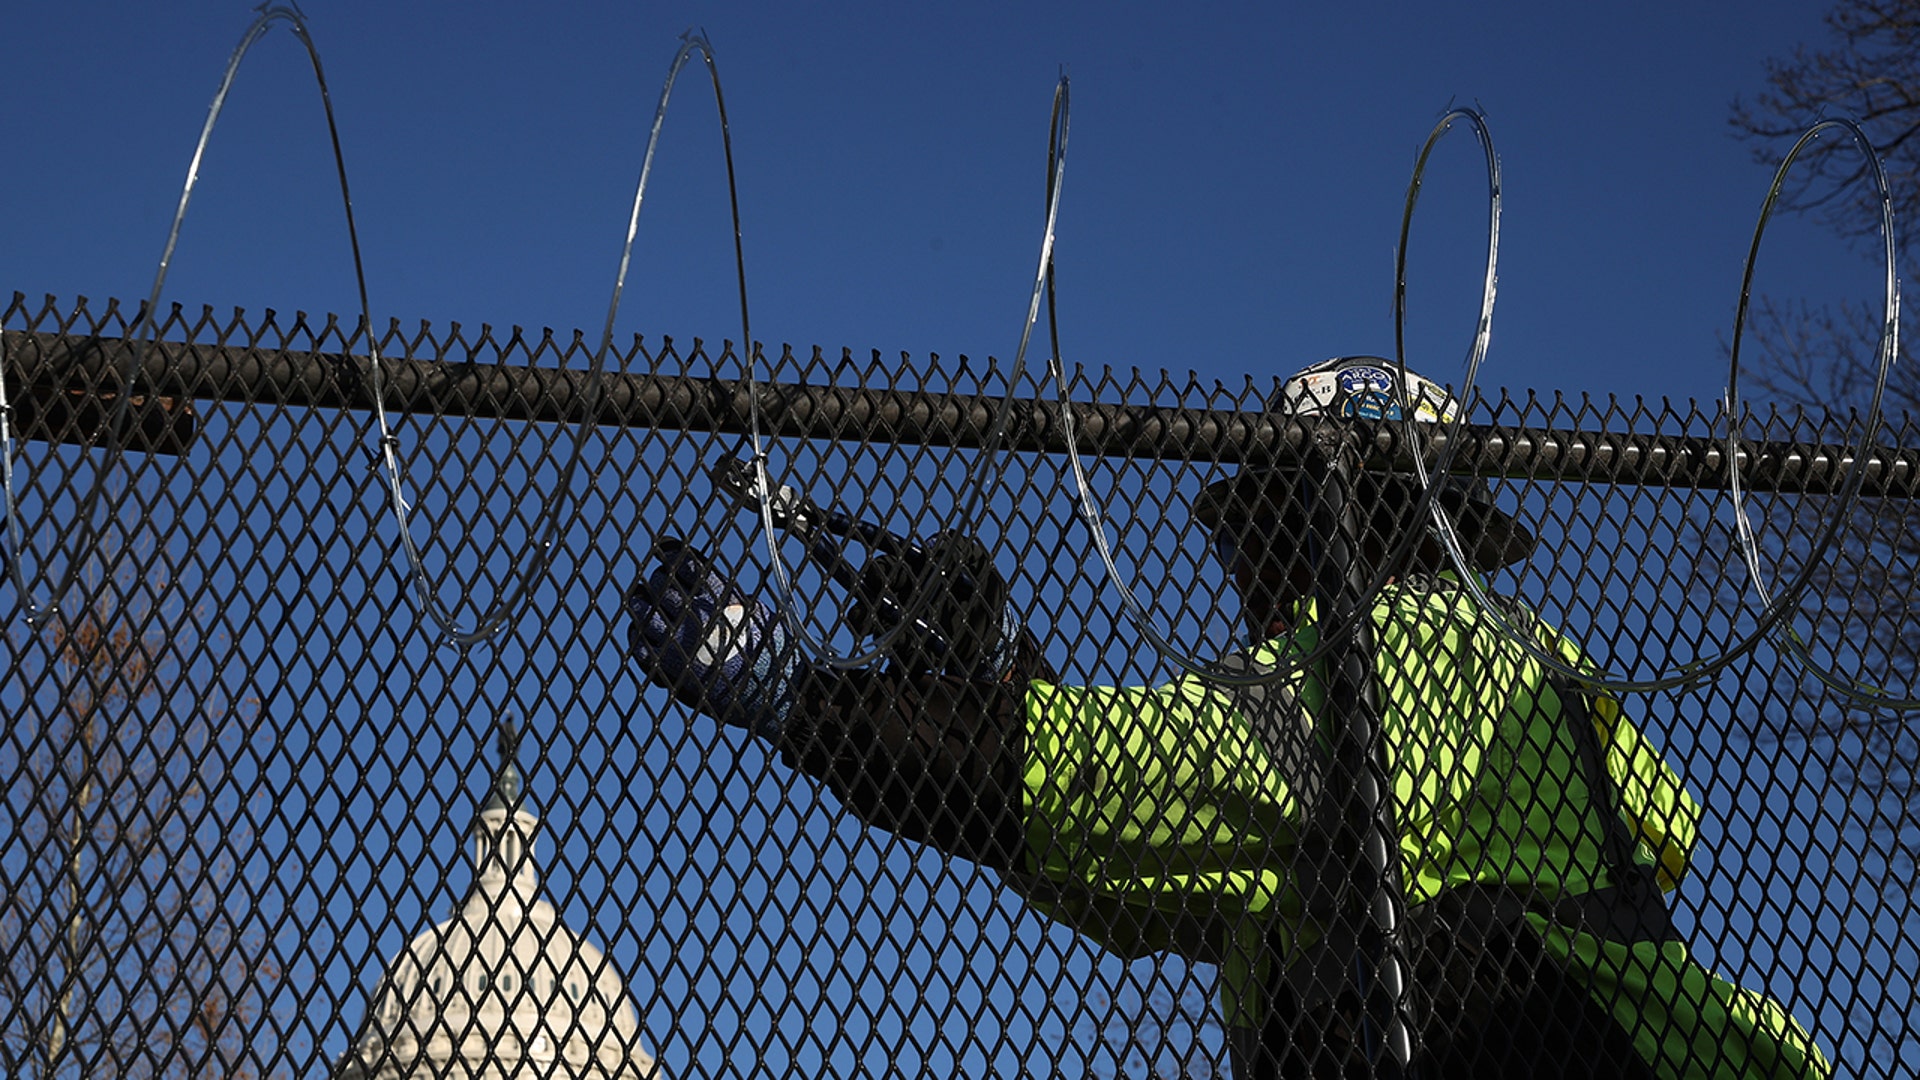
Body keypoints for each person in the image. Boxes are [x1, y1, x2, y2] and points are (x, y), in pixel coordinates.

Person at [625, 358, 1830, 1079]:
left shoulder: (1397, 646)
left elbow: (1117, 782)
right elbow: (1126, 859)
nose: (1243, 578)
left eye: (1262, 531)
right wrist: (997, 682)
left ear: (1328, 526)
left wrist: (798, 695)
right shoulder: (1500, 684)